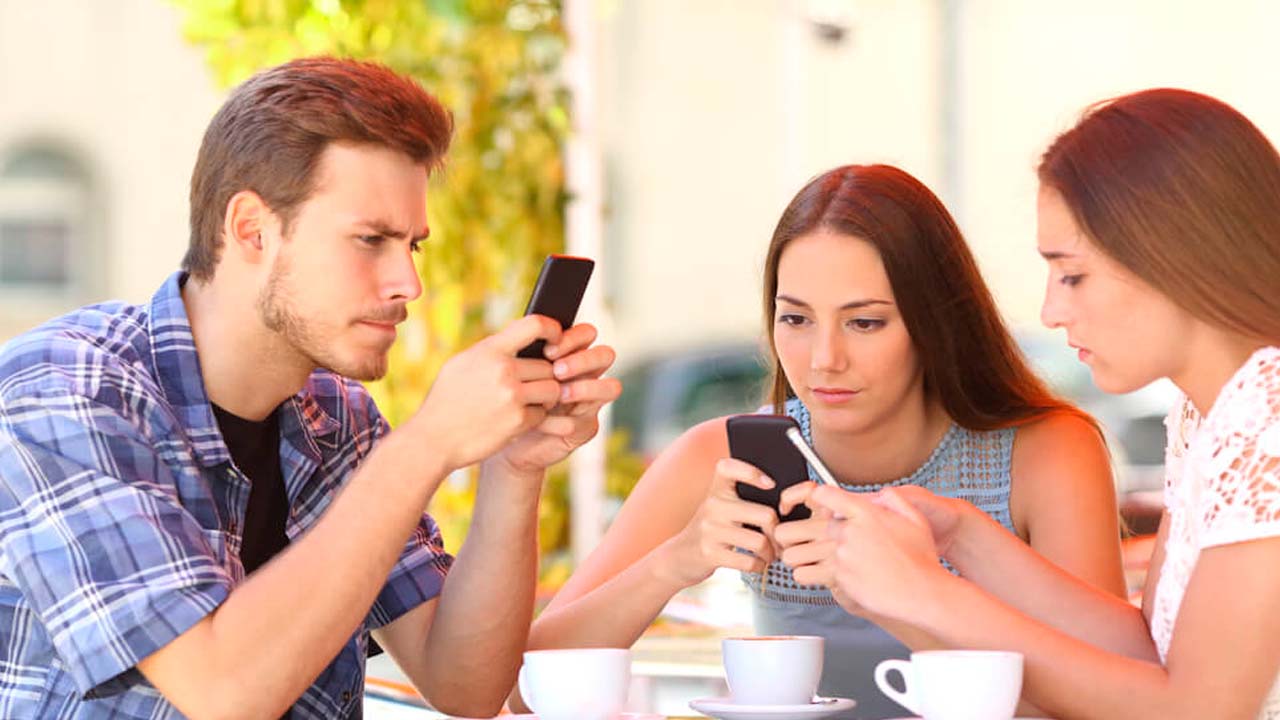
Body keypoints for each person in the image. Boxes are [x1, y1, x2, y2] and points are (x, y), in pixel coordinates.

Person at [0, 57, 620, 720]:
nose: (407, 284)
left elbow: (465, 685)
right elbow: (223, 692)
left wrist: (512, 467)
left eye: (413, 246)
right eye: (371, 240)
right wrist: (427, 444)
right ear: (251, 230)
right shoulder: (64, 392)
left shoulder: (339, 418)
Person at [520, 163, 1125, 718]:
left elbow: (1110, 701)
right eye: (796, 319)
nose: (824, 360)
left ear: (935, 321)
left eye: (864, 322)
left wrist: (899, 593)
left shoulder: (1045, 454)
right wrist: (674, 563)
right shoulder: (721, 457)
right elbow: (525, 692)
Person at [780, 88, 1280, 719]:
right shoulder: (1212, 415)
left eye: (1072, 275)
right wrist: (963, 537)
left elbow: (1198, 711)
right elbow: (1145, 655)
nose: (1050, 310)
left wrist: (927, 593)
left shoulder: (1268, 421)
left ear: (1179, 254)